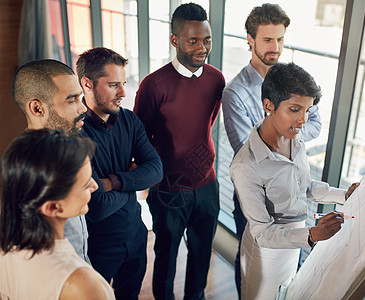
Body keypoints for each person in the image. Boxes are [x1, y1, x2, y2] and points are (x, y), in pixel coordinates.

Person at [230, 63, 359, 300]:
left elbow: (304, 188)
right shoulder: (245, 166)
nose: (303, 120)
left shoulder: (296, 141)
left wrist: (343, 195)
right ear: (268, 105)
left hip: (296, 242)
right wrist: (311, 235)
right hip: (265, 254)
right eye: (295, 109)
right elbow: (262, 233)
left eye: (307, 110)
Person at [221, 4, 322, 295]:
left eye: (280, 39)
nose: (275, 47)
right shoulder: (236, 93)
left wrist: (289, 131)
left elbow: (314, 122)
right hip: (257, 198)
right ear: (250, 40)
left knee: (287, 277)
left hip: (291, 192)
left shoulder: (294, 80)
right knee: (254, 278)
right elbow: (248, 152)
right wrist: (291, 133)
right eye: (267, 39)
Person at [134, 3, 225, 299]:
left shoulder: (216, 80)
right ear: (175, 40)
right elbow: (140, 140)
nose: (202, 47)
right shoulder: (153, 86)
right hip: (169, 189)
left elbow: (207, 123)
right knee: (166, 259)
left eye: (207, 40)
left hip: (208, 185)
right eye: (193, 40)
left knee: (201, 260)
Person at [77, 47, 163, 299]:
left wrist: (112, 182)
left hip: (136, 235)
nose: (123, 93)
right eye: (114, 84)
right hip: (98, 245)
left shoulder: (130, 121)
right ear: (87, 84)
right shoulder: (76, 132)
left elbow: (156, 170)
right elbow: (97, 208)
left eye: (123, 83)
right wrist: (133, 181)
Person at [0, 129, 115, 300]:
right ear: (53, 207)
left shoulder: (6, 250)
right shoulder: (80, 283)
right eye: (85, 185)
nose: (95, 186)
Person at [11, 59, 91, 263]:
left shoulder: (67, 153)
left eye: (80, 98)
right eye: (72, 100)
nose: (83, 109)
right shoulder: (23, 171)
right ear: (37, 109)